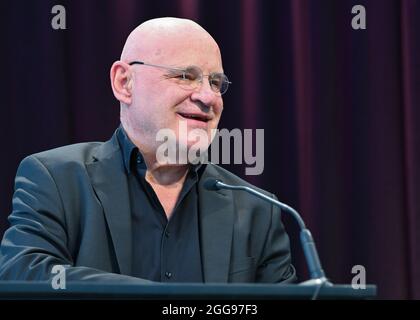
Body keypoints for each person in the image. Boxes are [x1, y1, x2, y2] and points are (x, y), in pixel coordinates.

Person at [0, 17, 296, 283]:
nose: (208, 97)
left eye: (216, 83)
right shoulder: (57, 180)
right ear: (124, 82)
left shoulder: (259, 209)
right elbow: (25, 274)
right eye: (184, 76)